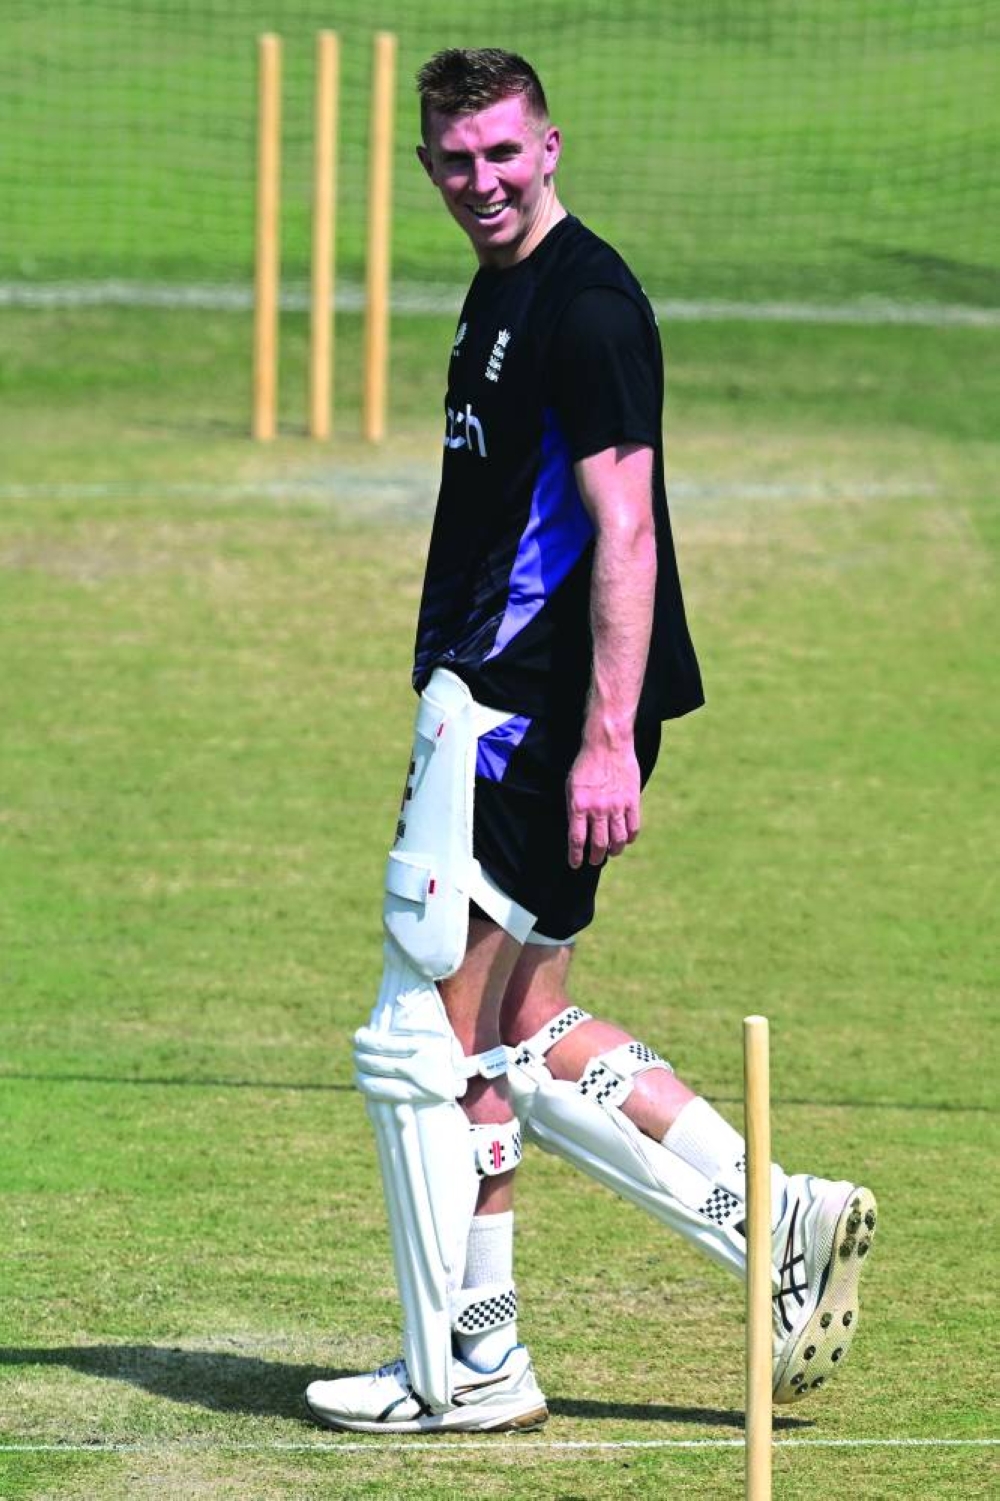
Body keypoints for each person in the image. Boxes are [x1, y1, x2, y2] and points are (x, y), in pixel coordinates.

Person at [305, 48, 876, 1435]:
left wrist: (603, 739)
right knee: (516, 1026)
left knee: (423, 1044)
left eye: (503, 153)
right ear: (430, 163)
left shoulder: (590, 307)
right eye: (455, 160)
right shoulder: (509, 284)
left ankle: (463, 1368)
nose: (481, 181)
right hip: (513, 717)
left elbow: (626, 528)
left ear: (550, 145)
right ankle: (769, 1211)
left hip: (528, 727)